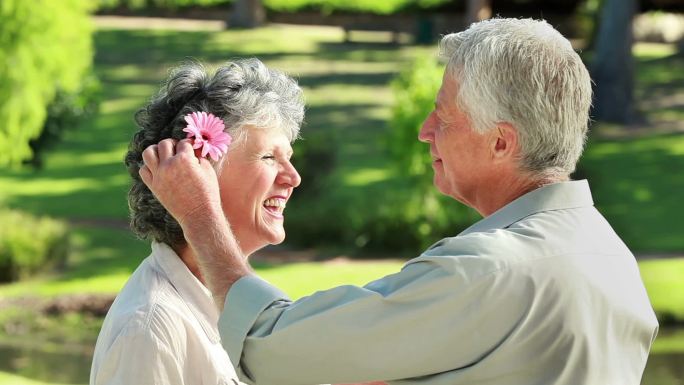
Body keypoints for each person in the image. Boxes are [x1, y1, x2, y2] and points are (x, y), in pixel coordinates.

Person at [140, 18, 659, 385]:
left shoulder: (488, 271)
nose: (424, 131)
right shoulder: (612, 262)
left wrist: (201, 213)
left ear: (501, 142)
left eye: (444, 117)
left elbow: (268, 347)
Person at [89, 58, 305, 385]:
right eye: (269, 157)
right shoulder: (150, 328)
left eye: (288, 158)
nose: (293, 178)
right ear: (196, 171)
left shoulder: (236, 304)